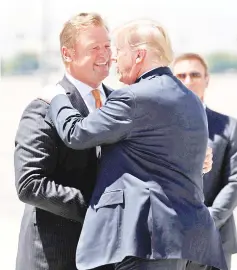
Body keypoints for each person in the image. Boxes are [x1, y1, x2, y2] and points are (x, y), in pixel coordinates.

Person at [43, 19, 227, 270]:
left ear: (139, 55)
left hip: (147, 240)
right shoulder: (190, 99)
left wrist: (56, 97)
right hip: (184, 240)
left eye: (118, 51)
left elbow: (77, 133)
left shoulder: (133, 97)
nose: (114, 59)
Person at [14, 12, 113, 270]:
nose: (105, 55)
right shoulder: (42, 108)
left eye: (107, 46)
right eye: (94, 48)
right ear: (68, 54)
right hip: (55, 257)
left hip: (110, 258)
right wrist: (100, 209)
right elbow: (30, 184)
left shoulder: (121, 103)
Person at [173, 53, 237, 270]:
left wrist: (208, 218)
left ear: (207, 79)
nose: (188, 81)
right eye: (181, 75)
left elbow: (235, 181)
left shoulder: (230, 126)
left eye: (195, 75)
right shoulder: (158, 127)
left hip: (216, 239)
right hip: (172, 240)